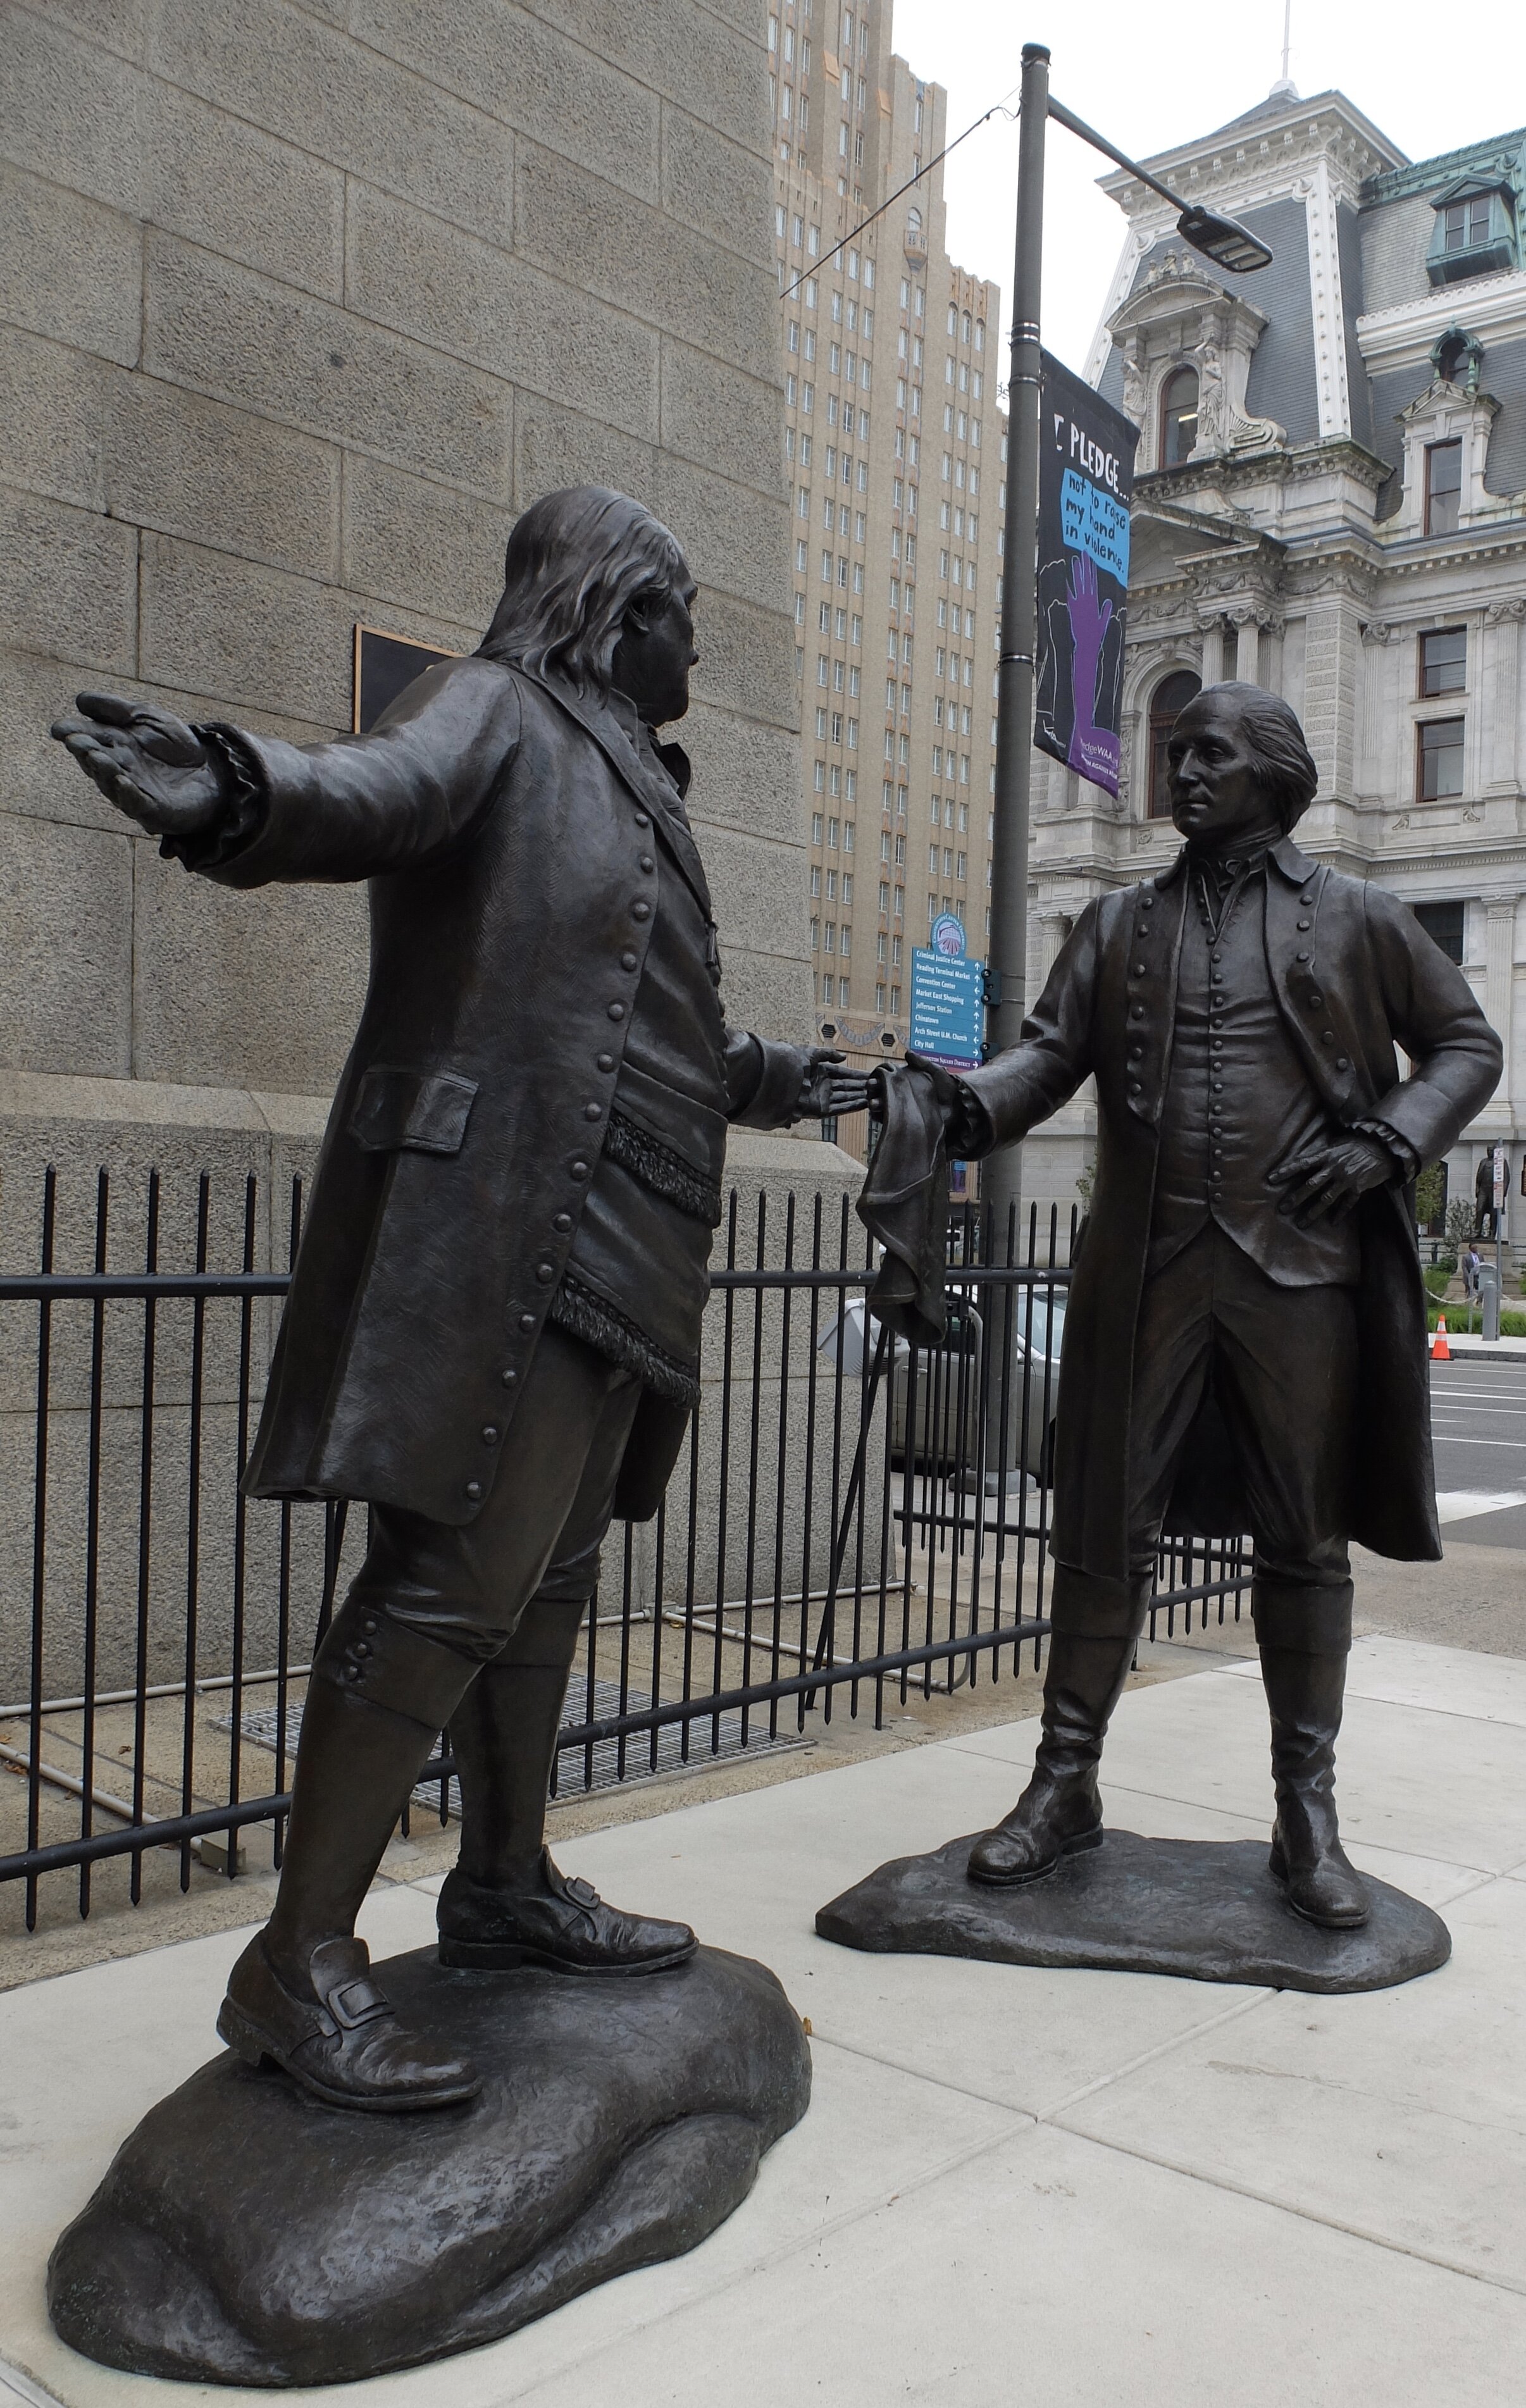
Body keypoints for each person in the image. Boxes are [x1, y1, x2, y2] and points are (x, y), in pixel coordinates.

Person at [52, 487, 868, 2111]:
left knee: (547, 1583)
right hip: (503, 1224)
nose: (698, 640)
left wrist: (771, 1078)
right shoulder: (498, 705)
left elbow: (628, 1010)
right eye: (682, 609)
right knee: (444, 1585)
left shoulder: (633, 770)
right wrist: (232, 789)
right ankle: (299, 1961)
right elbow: (368, 792)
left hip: (622, 1228)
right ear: (617, 610)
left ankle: (503, 1878)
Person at [865, 683, 1501, 1930]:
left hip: (1299, 1271)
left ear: (1272, 769)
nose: (1183, 775)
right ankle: (1064, 1784)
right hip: (1147, 1269)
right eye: (1173, 755)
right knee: (1103, 1530)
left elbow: (1468, 1045)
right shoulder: (1115, 922)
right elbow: (1050, 1054)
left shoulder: (1361, 918)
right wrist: (963, 1100)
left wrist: (1388, 1140)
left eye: (1210, 753)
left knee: (1305, 1545)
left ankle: (1305, 1814)